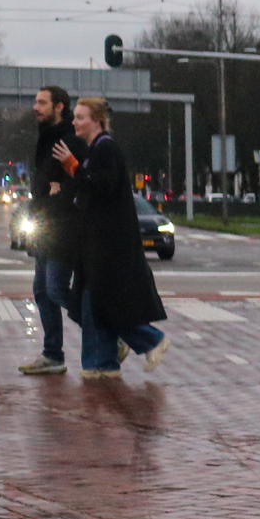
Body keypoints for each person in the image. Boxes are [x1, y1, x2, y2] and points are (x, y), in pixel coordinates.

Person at [52, 96, 168, 376]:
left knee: (102, 301)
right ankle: (102, 363)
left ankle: (149, 340)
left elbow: (100, 187)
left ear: (97, 121)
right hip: (97, 242)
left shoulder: (106, 150)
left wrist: (72, 167)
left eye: (81, 117)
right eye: (75, 117)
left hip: (108, 244)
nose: (75, 122)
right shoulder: (96, 150)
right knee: (93, 302)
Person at [18, 85, 84, 376]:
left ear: (59, 107)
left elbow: (85, 177)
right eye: (36, 102)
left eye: (42, 103)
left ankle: (107, 329)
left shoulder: (70, 138)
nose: (36, 107)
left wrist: (63, 191)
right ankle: (52, 354)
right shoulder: (46, 138)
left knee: (56, 289)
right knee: (42, 291)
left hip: (64, 226)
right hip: (45, 223)